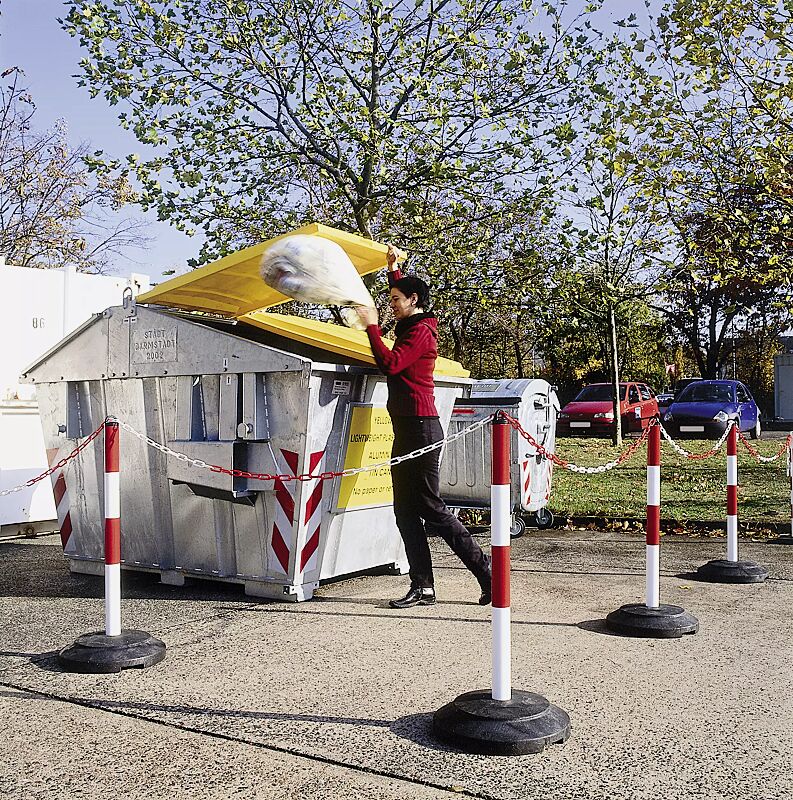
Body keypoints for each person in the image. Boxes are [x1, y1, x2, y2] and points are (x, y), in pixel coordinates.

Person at [356, 246, 492, 609]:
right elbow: (404, 293)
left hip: (421, 428)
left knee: (431, 508)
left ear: (414, 300)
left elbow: (390, 364)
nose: (391, 305)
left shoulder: (420, 333)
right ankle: (423, 586)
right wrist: (393, 269)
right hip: (406, 428)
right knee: (404, 510)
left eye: (396, 299)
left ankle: (488, 575)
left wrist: (371, 326)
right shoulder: (411, 325)